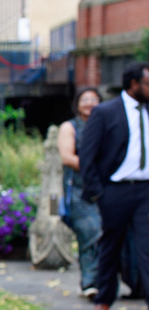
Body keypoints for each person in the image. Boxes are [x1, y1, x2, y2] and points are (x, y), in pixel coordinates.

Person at [79, 63, 149, 310]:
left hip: (145, 189)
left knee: (146, 248)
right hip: (115, 190)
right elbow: (88, 156)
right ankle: (104, 300)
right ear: (133, 85)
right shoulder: (106, 112)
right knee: (111, 246)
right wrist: (99, 193)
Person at [58, 86, 102, 297]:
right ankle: (89, 282)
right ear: (77, 103)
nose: (90, 103)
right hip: (79, 190)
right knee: (89, 233)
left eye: (94, 99)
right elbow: (67, 157)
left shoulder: (105, 125)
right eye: (85, 99)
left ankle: (107, 281)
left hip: (105, 188)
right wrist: (96, 167)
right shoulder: (71, 127)